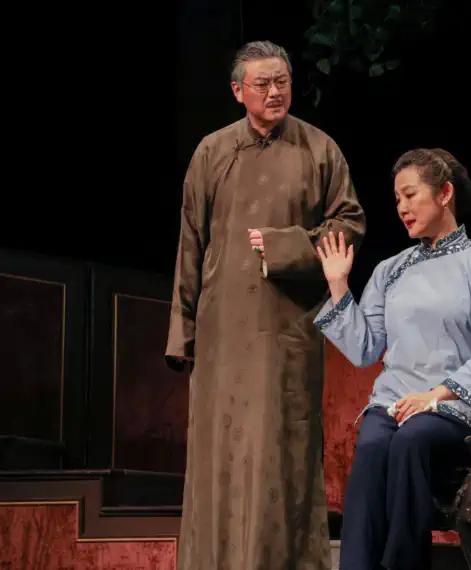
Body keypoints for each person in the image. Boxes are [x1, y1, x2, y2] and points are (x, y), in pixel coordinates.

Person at [166, 40, 366, 570]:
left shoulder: (319, 149)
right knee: (219, 458)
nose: (275, 92)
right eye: (262, 84)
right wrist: (182, 331)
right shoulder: (212, 151)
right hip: (222, 333)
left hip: (286, 329)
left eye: (282, 82)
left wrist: (284, 248)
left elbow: (349, 225)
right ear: (238, 91)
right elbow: (190, 243)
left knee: (280, 453)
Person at [315, 148, 471, 570]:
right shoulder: (391, 270)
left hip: (456, 408)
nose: (402, 208)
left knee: (412, 440)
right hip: (394, 402)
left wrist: (434, 396)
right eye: (397, 200)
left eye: (410, 195)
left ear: (444, 194)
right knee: (372, 445)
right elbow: (365, 348)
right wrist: (338, 286)